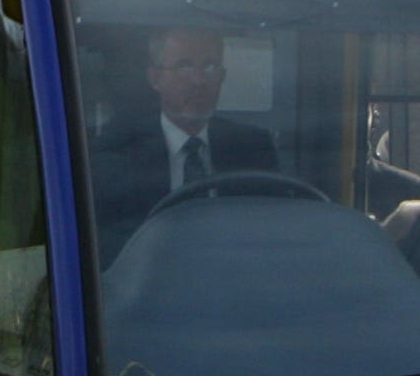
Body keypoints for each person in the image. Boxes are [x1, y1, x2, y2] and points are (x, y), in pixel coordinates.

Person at [88, 26, 278, 262]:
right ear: (155, 78)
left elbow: (271, 234)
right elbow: (105, 245)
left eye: (210, 67)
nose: (198, 81)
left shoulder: (253, 148)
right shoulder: (117, 152)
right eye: (184, 67)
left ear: (222, 76)